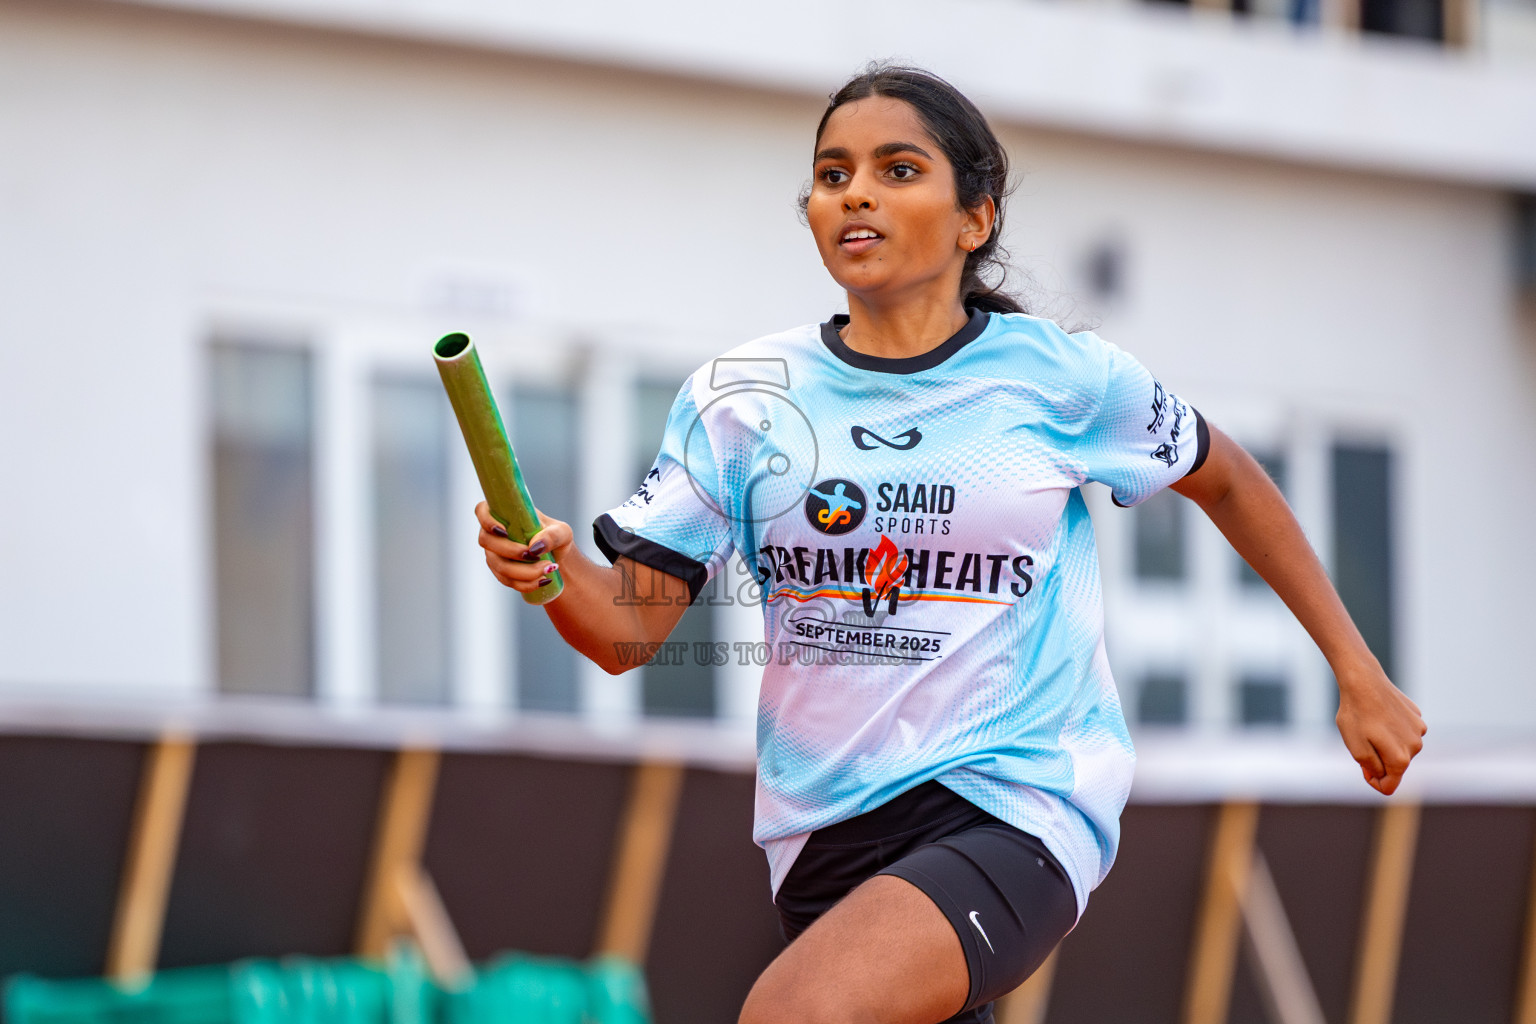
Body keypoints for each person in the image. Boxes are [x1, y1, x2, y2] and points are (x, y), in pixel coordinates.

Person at [474, 64, 1426, 1024]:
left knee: (793, 1015)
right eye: (833, 173)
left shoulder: (1061, 379)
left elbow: (1226, 477)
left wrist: (1357, 672)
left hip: (1019, 801)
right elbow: (624, 632)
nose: (856, 192)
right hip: (820, 834)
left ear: (976, 218)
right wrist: (543, 567)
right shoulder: (742, 397)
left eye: (897, 169)